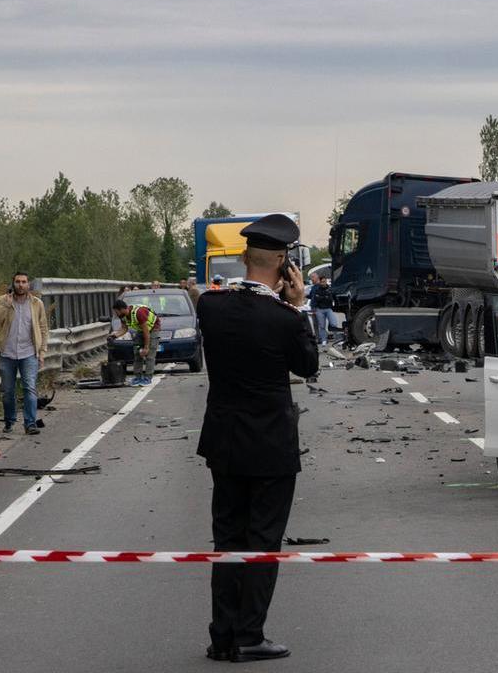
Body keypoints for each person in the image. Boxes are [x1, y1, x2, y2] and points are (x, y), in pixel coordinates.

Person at [196, 213, 318, 663]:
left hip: (224, 442)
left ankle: (222, 635)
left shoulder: (210, 306)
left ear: (244, 257)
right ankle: (250, 635)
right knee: (263, 541)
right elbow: (307, 366)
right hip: (270, 447)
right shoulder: (285, 319)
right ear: (285, 264)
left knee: (226, 539)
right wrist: (299, 305)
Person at [0, 272, 49, 437]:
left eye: (24, 282)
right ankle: (9, 420)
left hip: (29, 353)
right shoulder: (3, 301)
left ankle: (30, 423)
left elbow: (43, 329)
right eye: (17, 282)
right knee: (8, 391)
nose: (21, 285)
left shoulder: (37, 304)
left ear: (28, 284)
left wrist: (42, 352)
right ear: (13, 284)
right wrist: (7, 306)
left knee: (29, 387)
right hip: (7, 353)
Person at [112, 298, 161, 386]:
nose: (116, 314)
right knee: (137, 354)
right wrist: (114, 336)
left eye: (116, 312)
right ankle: (138, 377)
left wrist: (146, 347)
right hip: (141, 330)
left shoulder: (139, 313)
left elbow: (146, 332)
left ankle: (147, 378)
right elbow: (124, 329)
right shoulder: (123, 317)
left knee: (149, 355)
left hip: (153, 329)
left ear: (122, 309)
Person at [307, 272, 332, 346]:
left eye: (312, 277)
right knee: (316, 324)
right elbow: (312, 296)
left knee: (320, 324)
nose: (311, 279)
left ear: (316, 277)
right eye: (311, 277)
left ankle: (321, 338)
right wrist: (306, 295)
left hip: (317, 308)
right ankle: (319, 338)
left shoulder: (318, 287)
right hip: (314, 308)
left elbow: (316, 299)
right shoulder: (314, 286)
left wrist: (315, 308)